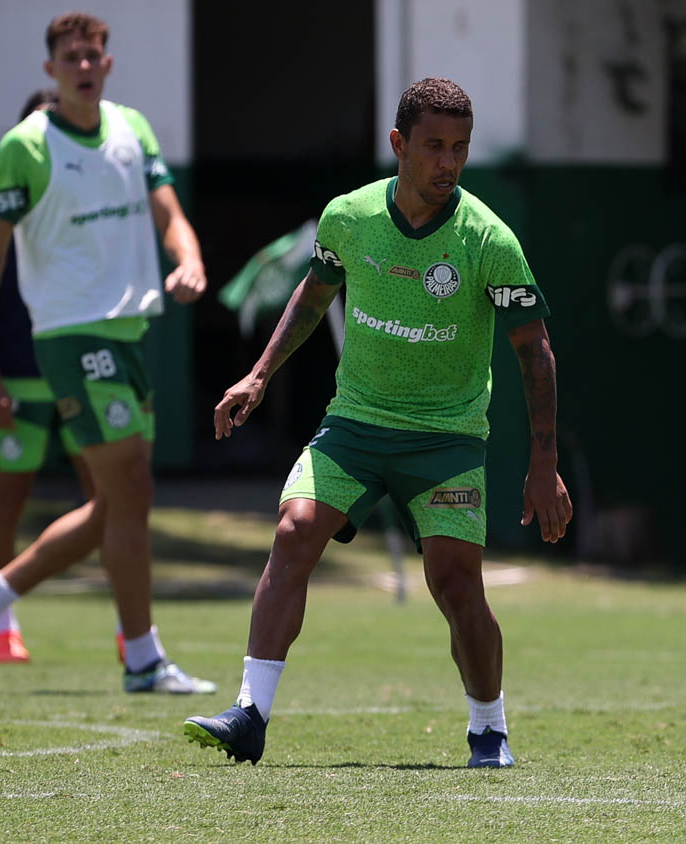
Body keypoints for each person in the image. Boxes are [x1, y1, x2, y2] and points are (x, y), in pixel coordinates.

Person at [182, 77, 572, 767]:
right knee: (293, 531)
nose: (447, 163)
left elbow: (533, 350)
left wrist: (543, 464)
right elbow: (313, 294)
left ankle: (490, 728)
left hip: (447, 440)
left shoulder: (488, 239)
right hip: (355, 425)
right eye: (432, 147)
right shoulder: (348, 218)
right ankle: (249, 713)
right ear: (399, 144)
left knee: (455, 584)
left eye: (459, 148)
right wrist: (259, 375)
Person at [0, 12, 215, 694]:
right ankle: (142, 659)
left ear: (109, 63)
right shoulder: (26, 147)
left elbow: (171, 214)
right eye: (71, 57)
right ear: (51, 70)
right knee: (124, 491)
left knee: (122, 501)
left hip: (129, 333)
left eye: (93, 54)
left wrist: (189, 260)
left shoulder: (134, 129)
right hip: (71, 334)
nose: (84, 65)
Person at [0, 87, 97, 665]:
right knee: (7, 500)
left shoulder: (85, 193)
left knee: (110, 498)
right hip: (14, 380)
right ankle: (0, 628)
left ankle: (131, 635)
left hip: (76, 376)